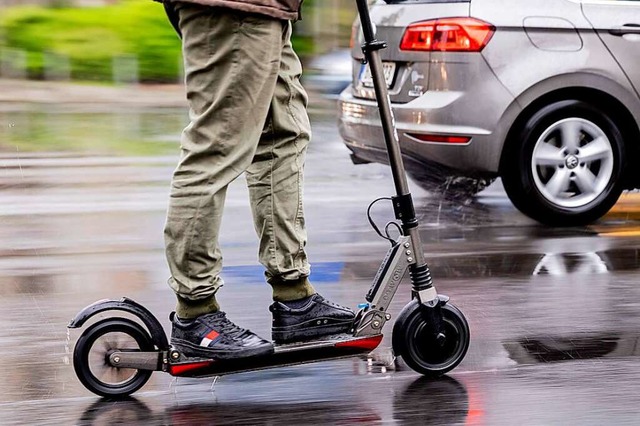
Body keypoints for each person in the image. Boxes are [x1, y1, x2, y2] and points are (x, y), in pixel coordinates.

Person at [159, 0, 356, 360]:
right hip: (234, 7)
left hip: (269, 8)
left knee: (283, 136)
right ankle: (195, 312)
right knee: (217, 146)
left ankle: (294, 297)